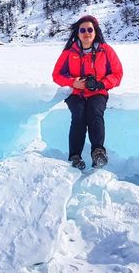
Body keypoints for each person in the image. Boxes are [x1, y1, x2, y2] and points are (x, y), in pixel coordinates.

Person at [52, 15, 123, 170]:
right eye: (82, 30)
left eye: (90, 29)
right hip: (75, 94)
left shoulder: (106, 50)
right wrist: (73, 82)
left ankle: (98, 152)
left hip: (98, 93)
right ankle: (75, 156)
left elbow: (117, 74)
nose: (86, 33)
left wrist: (100, 84)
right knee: (78, 117)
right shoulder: (69, 52)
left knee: (95, 113)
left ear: (95, 31)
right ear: (77, 33)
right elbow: (56, 75)